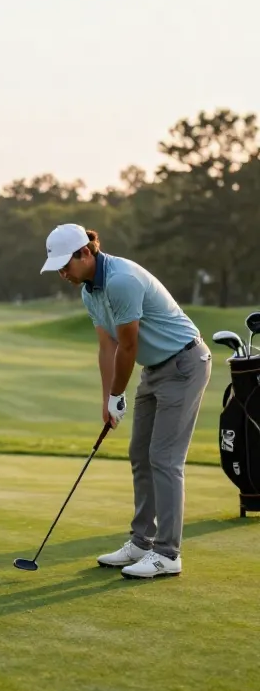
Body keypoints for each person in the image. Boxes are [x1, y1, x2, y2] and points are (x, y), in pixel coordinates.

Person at [40, 223, 211, 579]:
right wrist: (108, 400)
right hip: (154, 368)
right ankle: (141, 543)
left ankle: (168, 554)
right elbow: (108, 347)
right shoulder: (89, 290)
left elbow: (128, 345)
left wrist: (119, 392)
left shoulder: (121, 280)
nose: (62, 273)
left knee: (164, 458)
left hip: (183, 363)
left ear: (85, 253)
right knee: (140, 455)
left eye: (65, 264)